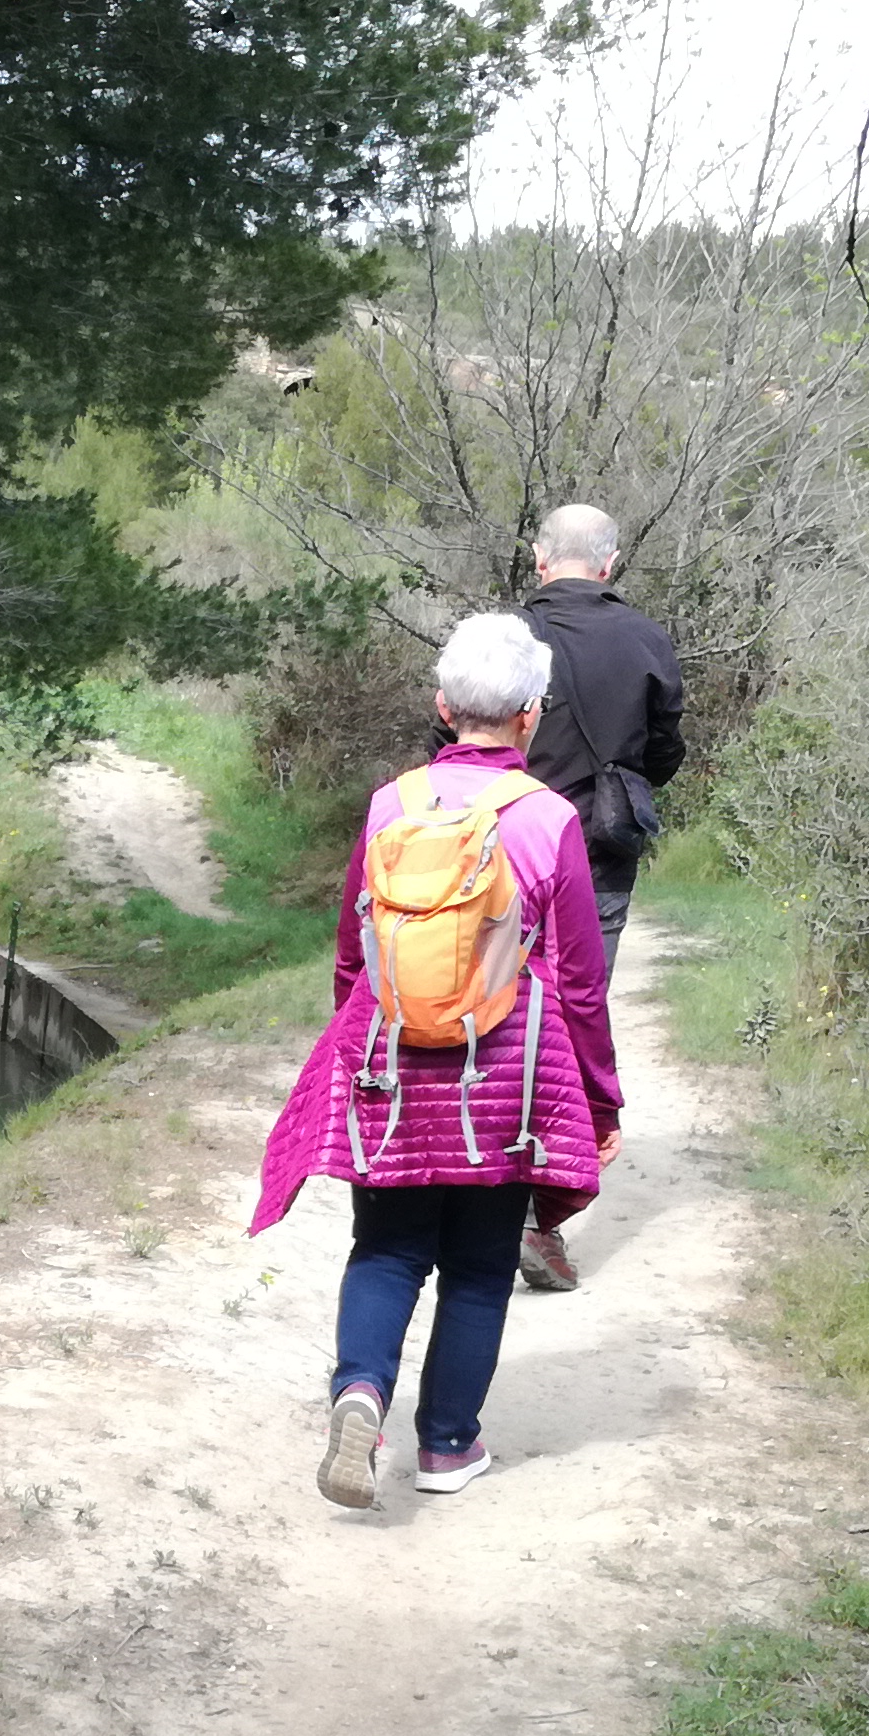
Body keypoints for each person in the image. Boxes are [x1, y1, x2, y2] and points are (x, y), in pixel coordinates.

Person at [251, 613, 623, 1510]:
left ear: (443, 705)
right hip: (503, 1080)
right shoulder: (547, 820)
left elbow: (352, 953)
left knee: (385, 1249)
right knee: (481, 1265)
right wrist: (601, 1102)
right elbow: (577, 982)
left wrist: (366, 1035)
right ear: (532, 716)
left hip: (391, 1065)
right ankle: (448, 1446)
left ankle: (359, 1395)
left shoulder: (393, 804)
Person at [512, 503, 683, 1295]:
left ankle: (466, 1184)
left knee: (491, 1017)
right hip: (600, 857)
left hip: (503, 850)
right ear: (609, 564)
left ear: (541, 560)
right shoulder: (646, 638)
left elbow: (451, 740)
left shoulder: (508, 636)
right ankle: (537, 1222)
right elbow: (664, 752)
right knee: (573, 1025)